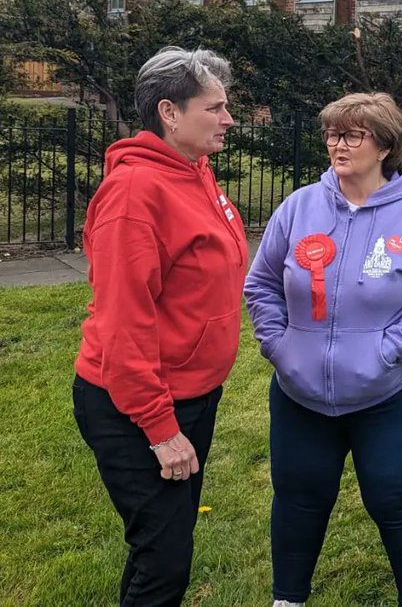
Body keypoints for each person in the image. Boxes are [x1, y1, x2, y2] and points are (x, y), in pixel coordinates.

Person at [243, 92, 402, 607]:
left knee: (399, 500)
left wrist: (386, 351)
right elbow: (262, 285)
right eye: (332, 134)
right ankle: (288, 599)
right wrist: (280, 345)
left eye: (351, 135)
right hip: (300, 393)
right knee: (298, 499)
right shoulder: (298, 206)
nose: (337, 145)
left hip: (390, 394)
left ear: (385, 145)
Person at [72, 47, 247, 606]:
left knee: (162, 548)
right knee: (165, 561)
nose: (228, 119)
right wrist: (159, 428)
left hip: (193, 393)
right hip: (138, 405)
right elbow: (123, 324)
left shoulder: (195, 171)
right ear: (169, 112)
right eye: (215, 107)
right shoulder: (134, 193)